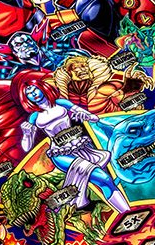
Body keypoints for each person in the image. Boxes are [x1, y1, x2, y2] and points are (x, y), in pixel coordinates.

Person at [13, 71, 130, 214]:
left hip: (82, 147)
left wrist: (83, 115)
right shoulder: (34, 117)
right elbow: (26, 147)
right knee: (103, 178)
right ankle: (125, 212)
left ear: (41, 87)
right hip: (60, 154)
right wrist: (26, 133)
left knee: (106, 181)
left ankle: (127, 212)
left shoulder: (61, 103)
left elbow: (94, 118)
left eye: (34, 89)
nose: (33, 94)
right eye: (29, 94)